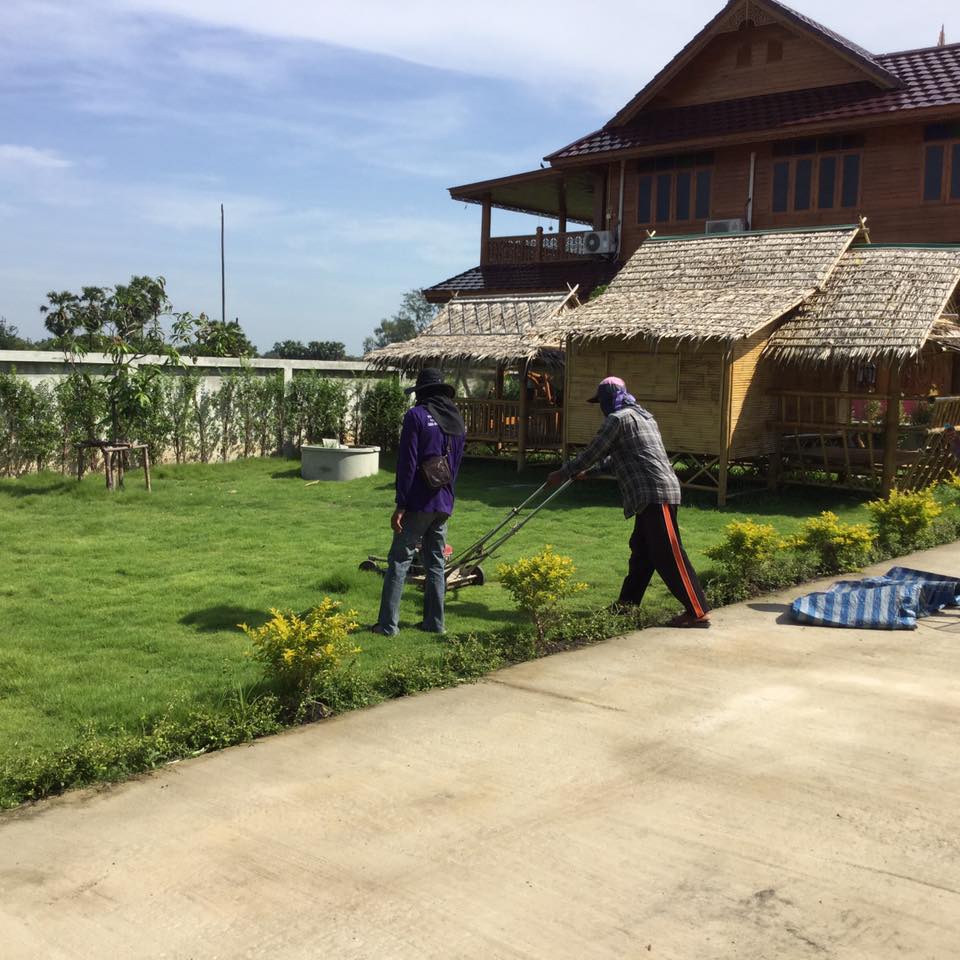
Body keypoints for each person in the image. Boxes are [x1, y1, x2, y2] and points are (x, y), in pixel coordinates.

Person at [547, 376, 710, 628]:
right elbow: (617, 459)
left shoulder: (617, 420)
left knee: (668, 553)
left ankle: (697, 611)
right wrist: (588, 473)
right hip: (651, 494)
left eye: (602, 401)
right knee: (642, 552)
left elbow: (594, 451)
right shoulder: (644, 417)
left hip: (655, 493)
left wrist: (563, 472)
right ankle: (626, 605)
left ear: (610, 399)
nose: (601, 407)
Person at [371, 368, 465, 636]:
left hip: (419, 502)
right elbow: (456, 464)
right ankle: (434, 623)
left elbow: (407, 463)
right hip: (444, 501)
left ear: (422, 393)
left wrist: (401, 504)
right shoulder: (456, 420)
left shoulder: (416, 416)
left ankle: (387, 625)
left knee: (399, 560)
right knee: (435, 563)